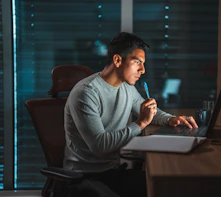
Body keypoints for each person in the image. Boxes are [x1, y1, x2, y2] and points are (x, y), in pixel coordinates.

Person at [63, 32, 198, 197]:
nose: (143, 70)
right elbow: (100, 147)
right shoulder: (86, 93)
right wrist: (140, 123)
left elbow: (148, 111)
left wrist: (170, 119)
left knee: (166, 188)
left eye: (143, 63)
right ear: (118, 60)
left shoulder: (126, 87)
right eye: (137, 63)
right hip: (82, 177)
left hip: (111, 173)